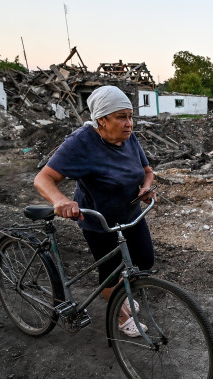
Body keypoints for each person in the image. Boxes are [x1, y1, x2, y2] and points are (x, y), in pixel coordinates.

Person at [34, 85, 155, 337]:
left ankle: (122, 294)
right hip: (100, 220)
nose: (129, 123)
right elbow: (43, 178)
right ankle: (120, 313)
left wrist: (145, 188)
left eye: (130, 116)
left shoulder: (128, 137)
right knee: (110, 275)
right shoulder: (81, 142)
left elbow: (147, 172)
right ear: (101, 119)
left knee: (143, 261)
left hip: (130, 214)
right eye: (121, 117)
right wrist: (60, 201)